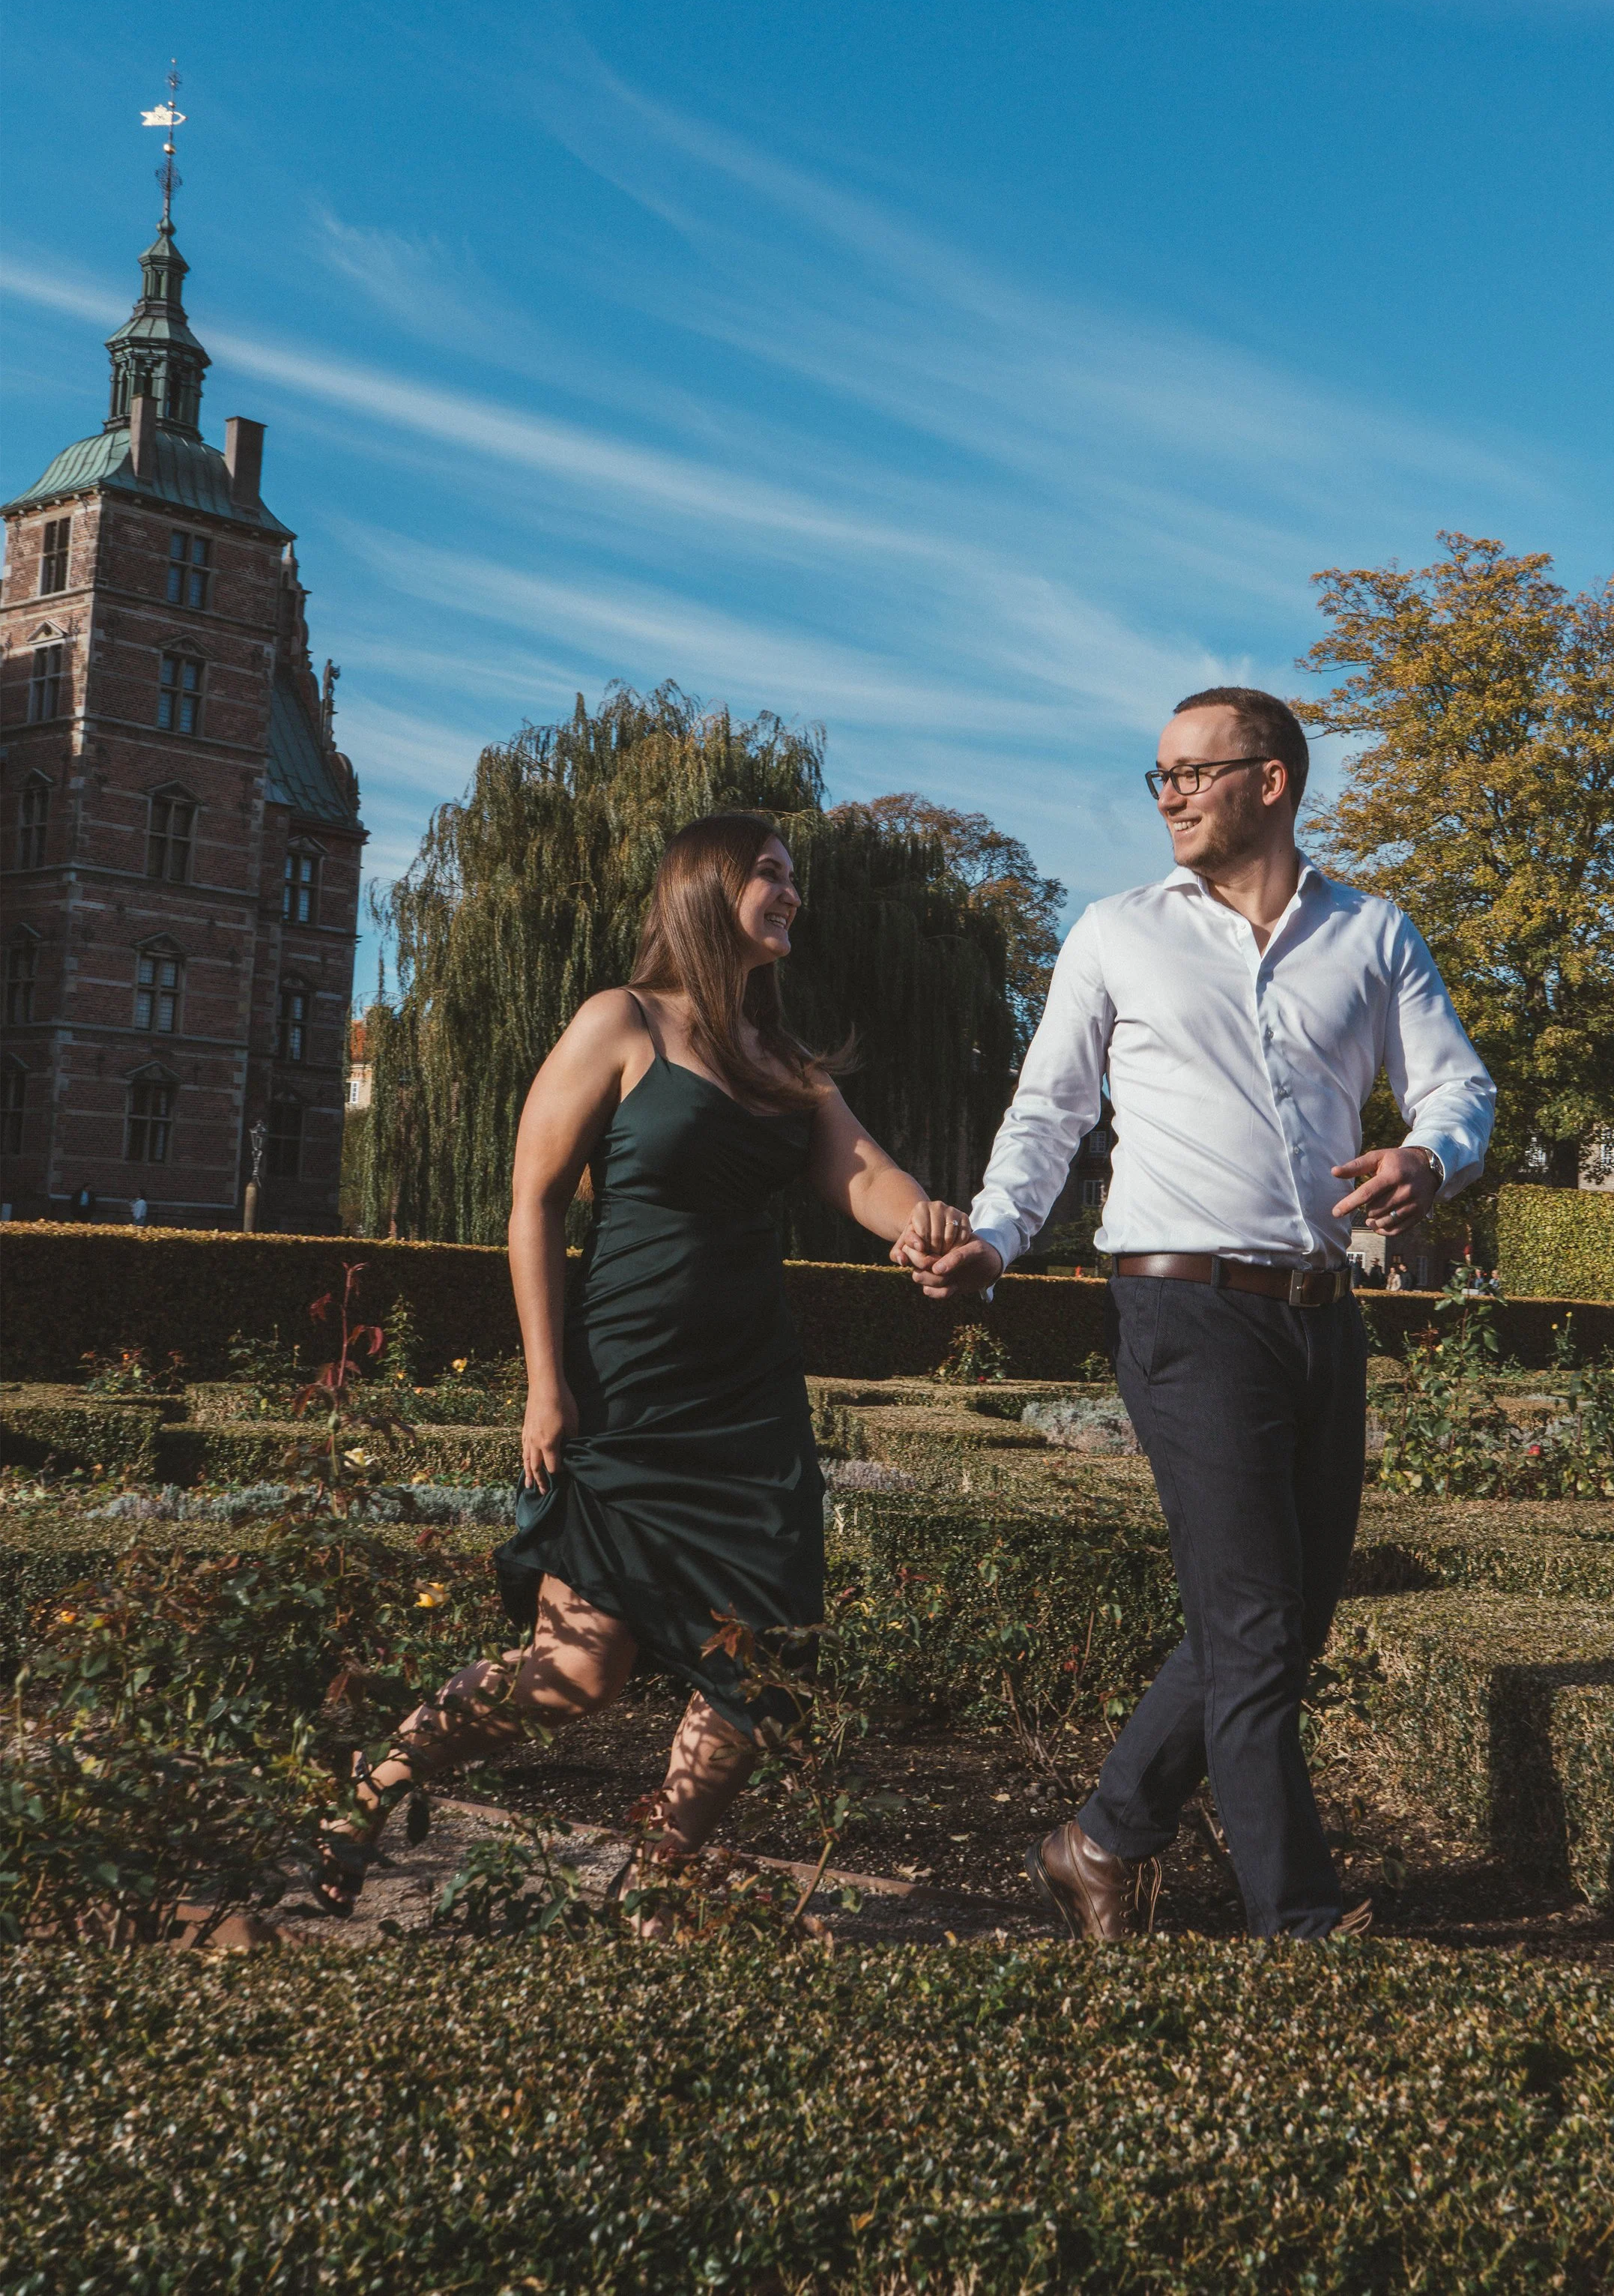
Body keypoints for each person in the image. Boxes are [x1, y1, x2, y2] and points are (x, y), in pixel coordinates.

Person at [909, 687, 1494, 1940]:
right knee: (1255, 1623)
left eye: (1194, 771)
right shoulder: (1117, 934)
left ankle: (1104, 1839)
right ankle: (1299, 1924)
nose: (1168, 793)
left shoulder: (1373, 934)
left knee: (1290, 1617)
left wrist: (1429, 1159)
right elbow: (1050, 1114)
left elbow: (1459, 1087)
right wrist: (997, 1238)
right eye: (1159, 776)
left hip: (1322, 1312)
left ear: (1271, 780)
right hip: (1180, 1312)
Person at [318, 814, 971, 1913]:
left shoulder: (783, 1063)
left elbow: (868, 1178)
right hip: (624, 1387)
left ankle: (655, 1884)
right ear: (704, 891)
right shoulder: (620, 1024)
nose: (792, 893)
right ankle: (374, 1780)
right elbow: (530, 1203)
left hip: (750, 1400)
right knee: (574, 1675)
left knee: (757, 1669)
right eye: (770, 874)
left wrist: (928, 1227)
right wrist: (546, 1382)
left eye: (794, 878)